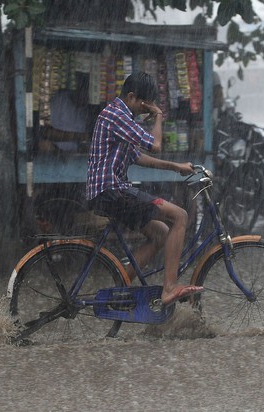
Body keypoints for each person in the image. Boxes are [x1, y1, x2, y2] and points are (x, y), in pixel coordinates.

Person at [86, 71, 204, 306]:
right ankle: (169, 288)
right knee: (180, 216)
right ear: (131, 96)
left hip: (110, 192)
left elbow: (138, 157)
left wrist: (175, 167)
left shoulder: (118, 117)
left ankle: (121, 284)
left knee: (160, 233)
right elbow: (155, 145)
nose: (145, 111)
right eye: (144, 105)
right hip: (112, 190)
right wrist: (159, 115)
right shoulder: (118, 115)